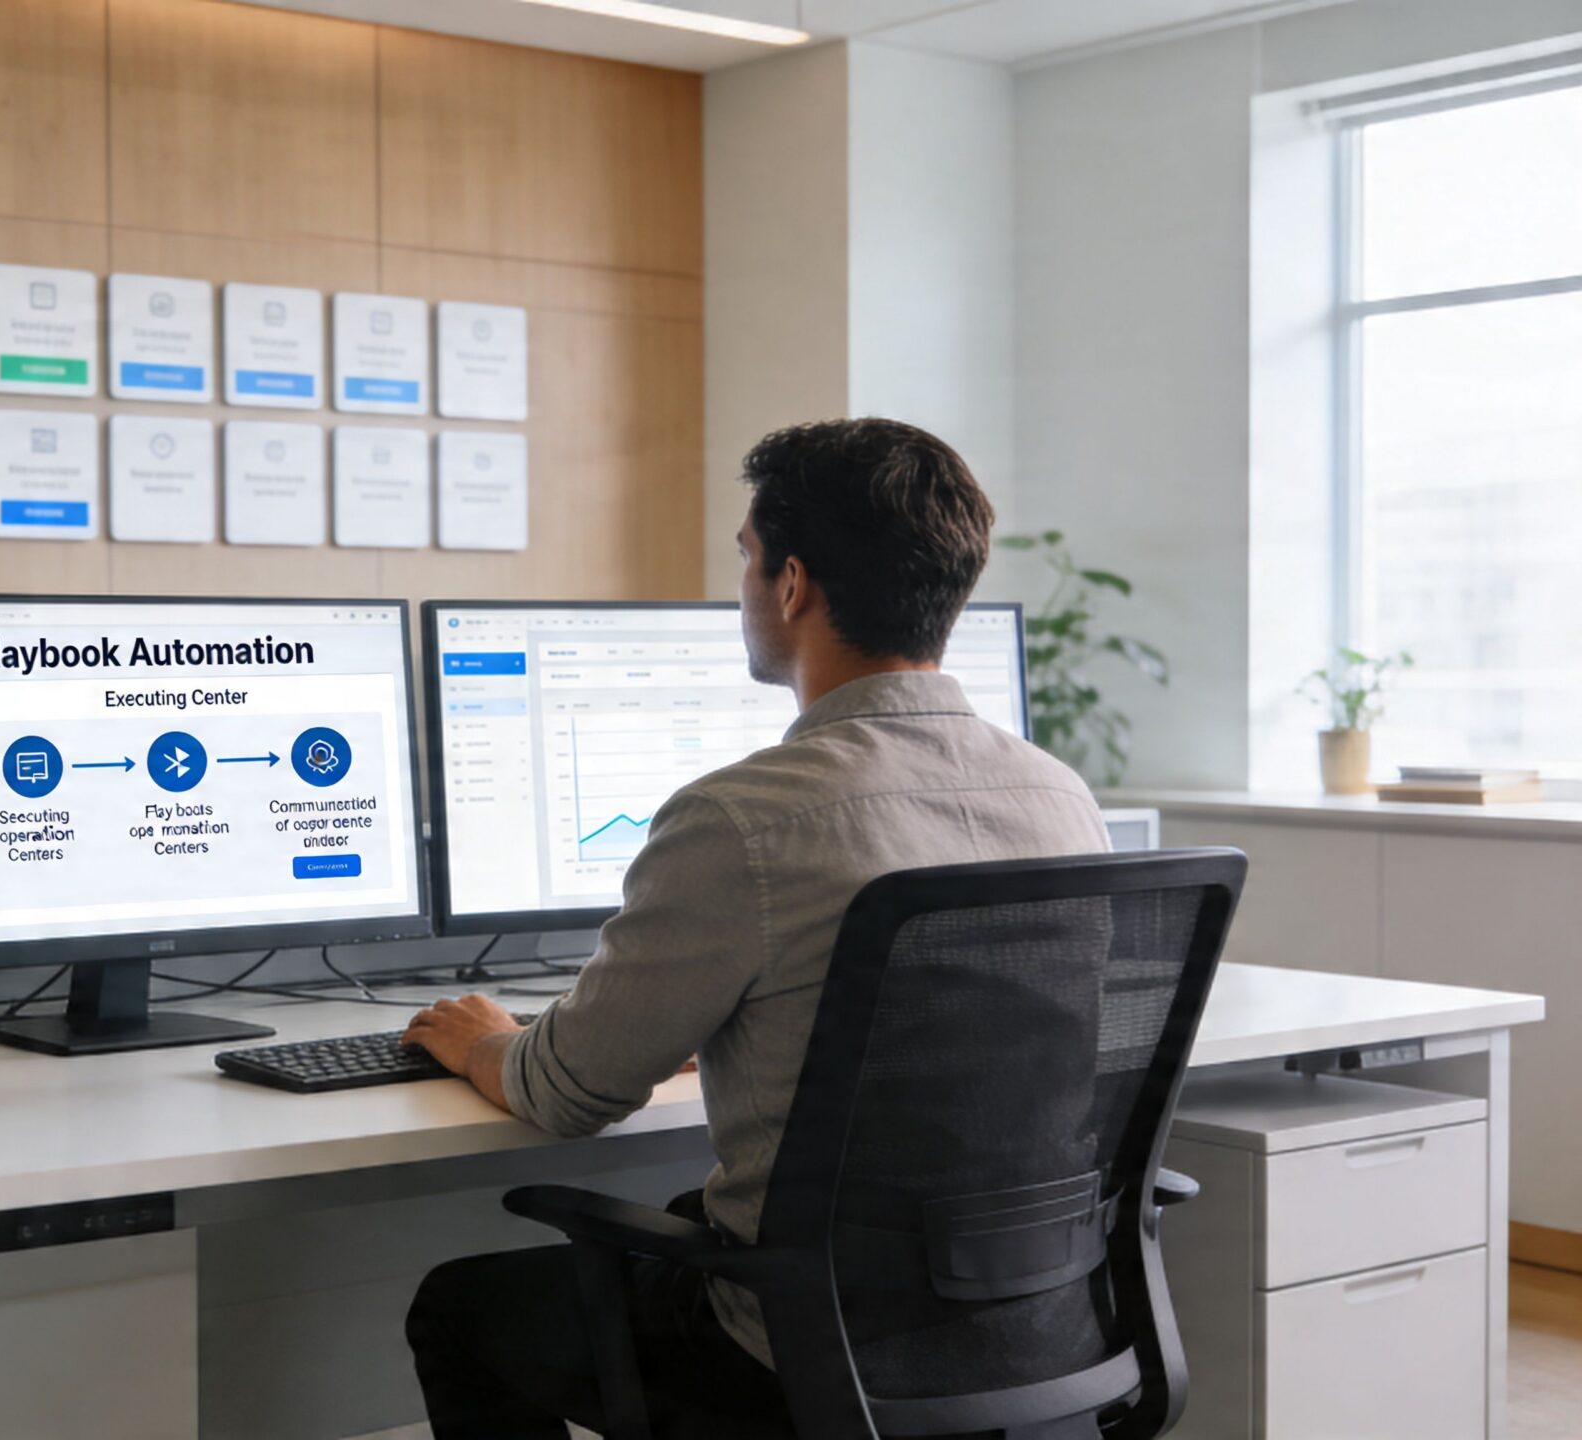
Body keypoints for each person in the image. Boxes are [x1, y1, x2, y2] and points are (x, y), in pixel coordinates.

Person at [400, 417, 1113, 1438]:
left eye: (743, 554)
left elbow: (567, 1094)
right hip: (1027, 1330)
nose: (741, 582)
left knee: (461, 1310)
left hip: (800, 1355)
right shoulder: (1058, 797)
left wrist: (488, 1042)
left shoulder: (743, 819)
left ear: (790, 584)